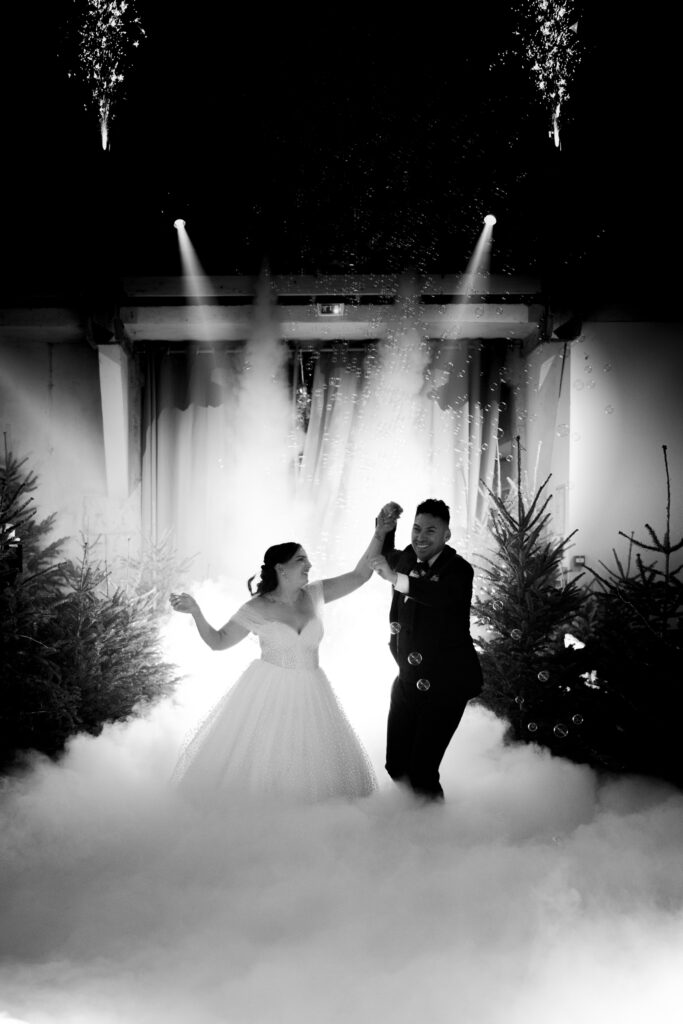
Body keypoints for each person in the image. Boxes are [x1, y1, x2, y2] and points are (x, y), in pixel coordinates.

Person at [169, 507, 400, 804]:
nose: (309, 565)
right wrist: (197, 612)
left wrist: (380, 533)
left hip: (314, 693)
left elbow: (360, 575)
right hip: (269, 695)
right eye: (301, 560)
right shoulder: (258, 607)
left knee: (315, 767)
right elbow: (219, 641)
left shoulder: (315, 593)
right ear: (281, 568)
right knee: (268, 764)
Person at [370, 498, 482, 801]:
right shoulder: (407, 558)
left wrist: (395, 579)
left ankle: (434, 839)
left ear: (446, 535)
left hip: (447, 685)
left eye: (430, 531)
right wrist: (387, 528)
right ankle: (412, 823)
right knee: (396, 766)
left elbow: (440, 596)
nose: (420, 537)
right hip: (408, 679)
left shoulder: (459, 571)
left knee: (422, 773)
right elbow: (382, 555)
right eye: (416, 529)